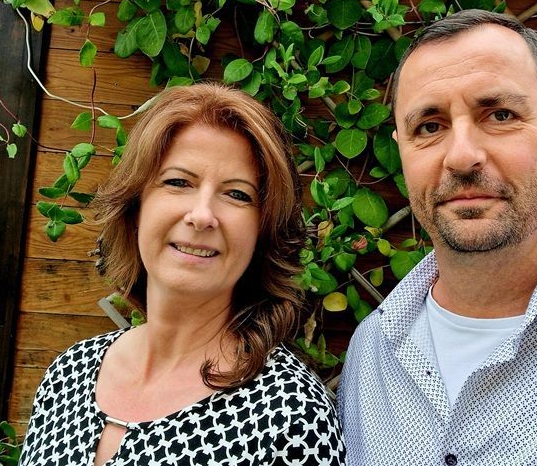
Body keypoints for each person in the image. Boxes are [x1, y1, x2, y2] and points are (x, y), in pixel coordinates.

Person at [339, 9, 537, 465]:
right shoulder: (371, 351)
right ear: (403, 152)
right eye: (429, 127)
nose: (462, 156)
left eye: (499, 114)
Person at [19, 83, 346, 465]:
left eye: (237, 194)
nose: (202, 215)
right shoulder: (68, 374)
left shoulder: (292, 415)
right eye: (178, 182)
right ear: (136, 206)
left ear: (263, 231)